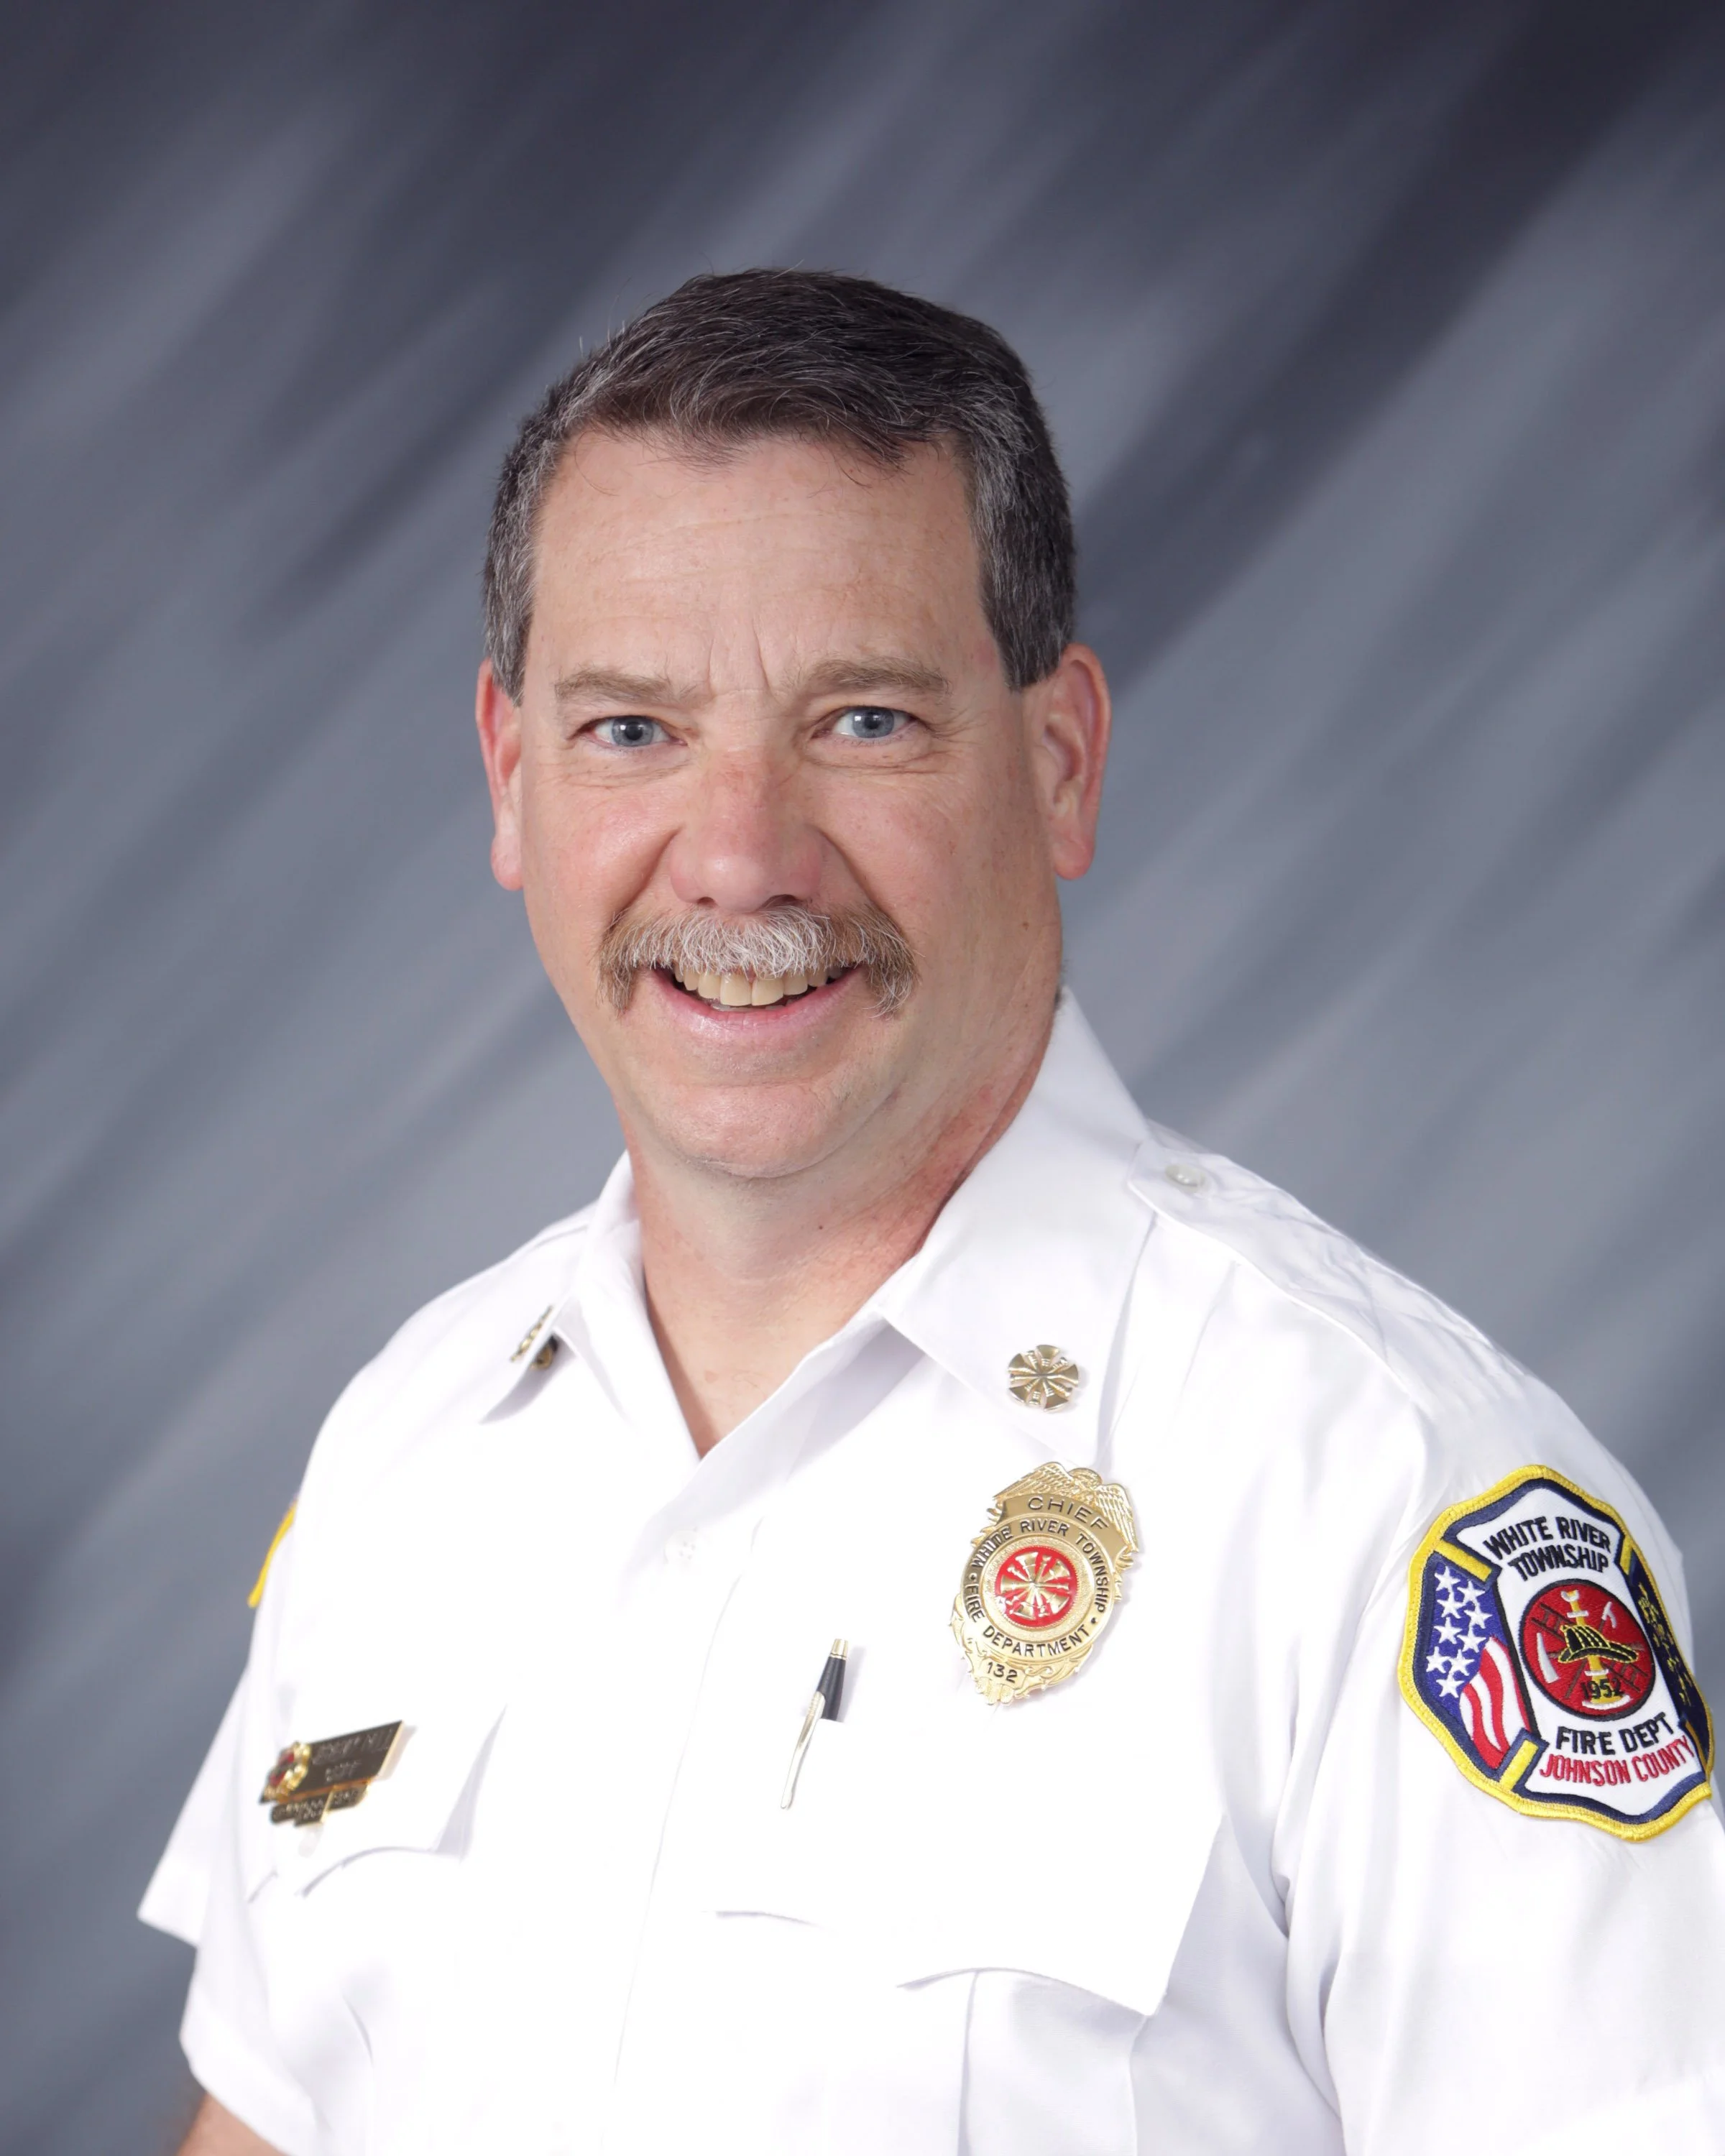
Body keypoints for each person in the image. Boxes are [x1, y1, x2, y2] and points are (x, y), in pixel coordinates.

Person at [142, 269, 1725, 2156]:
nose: (738, 856)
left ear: (1056, 761)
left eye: (866, 722)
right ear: (509, 777)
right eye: (632, 732)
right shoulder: (411, 1453)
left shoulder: (1376, 1499)